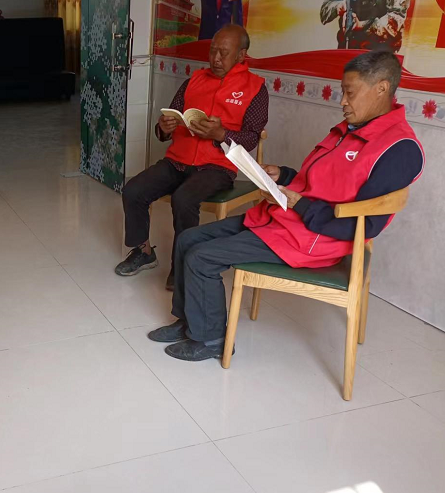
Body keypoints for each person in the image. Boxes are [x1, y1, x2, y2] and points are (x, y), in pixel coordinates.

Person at [149, 50, 424, 361]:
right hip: (286, 221)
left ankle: (211, 339)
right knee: (188, 238)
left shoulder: (399, 149)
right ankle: (188, 321)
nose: (343, 102)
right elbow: (321, 182)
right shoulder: (350, 129)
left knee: (202, 257)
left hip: (314, 239)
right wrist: (284, 175)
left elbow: (365, 223)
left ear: (382, 88)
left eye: (350, 93)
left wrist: (301, 205)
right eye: (342, 92)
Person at [116, 24, 268, 290]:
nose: (216, 59)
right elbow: (169, 120)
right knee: (133, 190)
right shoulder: (194, 80)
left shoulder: (255, 88)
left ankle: (182, 266)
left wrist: (221, 134)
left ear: (241, 55)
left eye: (223, 53)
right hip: (177, 160)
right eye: (212, 51)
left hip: (216, 167)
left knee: (184, 199)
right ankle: (143, 252)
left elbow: (252, 138)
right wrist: (164, 128)